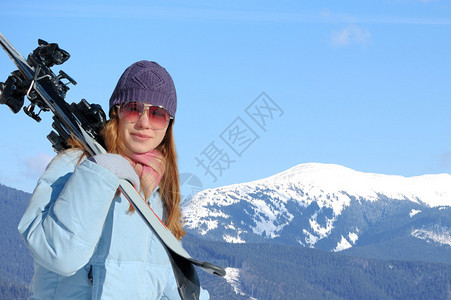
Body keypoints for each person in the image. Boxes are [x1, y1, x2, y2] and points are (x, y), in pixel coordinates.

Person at [18, 60, 209, 299]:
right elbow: (58, 255)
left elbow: (167, 282)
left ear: (169, 123)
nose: (144, 122)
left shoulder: (159, 191)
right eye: (133, 108)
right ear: (116, 112)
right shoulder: (73, 165)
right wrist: (100, 173)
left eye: (157, 113)